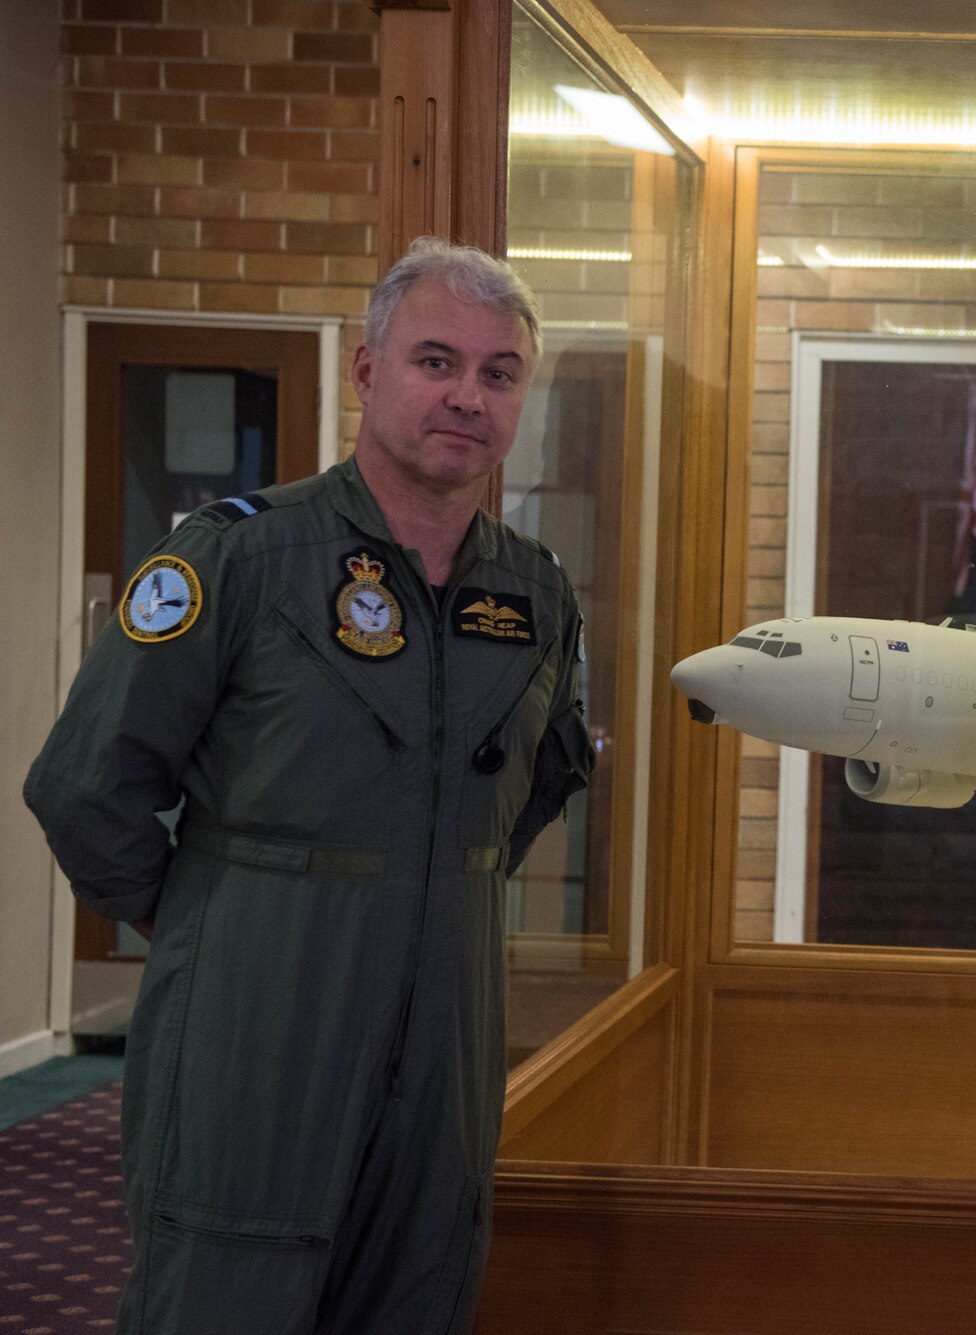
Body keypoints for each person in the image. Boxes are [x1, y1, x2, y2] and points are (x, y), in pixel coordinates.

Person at [25, 237, 593, 1334]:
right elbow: (85, 784)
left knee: (420, 1288)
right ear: (368, 372)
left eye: (498, 373)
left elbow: (539, 779)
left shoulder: (534, 595)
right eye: (436, 361)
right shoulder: (237, 558)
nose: (466, 396)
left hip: (448, 1034)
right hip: (259, 1012)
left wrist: (421, 885)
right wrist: (209, 916)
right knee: (226, 1292)